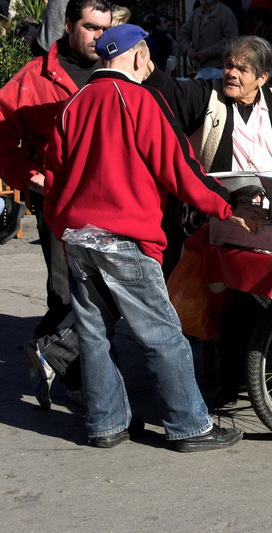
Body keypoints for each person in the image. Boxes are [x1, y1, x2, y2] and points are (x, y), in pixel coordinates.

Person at [43, 23, 247, 451]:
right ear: (138, 56)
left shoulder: (74, 103)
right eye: (148, 58)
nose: (149, 65)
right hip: (124, 236)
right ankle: (190, 425)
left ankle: (106, 424)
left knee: (95, 335)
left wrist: (62, 227)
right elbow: (180, 167)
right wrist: (226, 205)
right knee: (162, 334)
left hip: (79, 236)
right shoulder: (140, 99)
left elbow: (54, 176)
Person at [144, 35, 272, 406]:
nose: (231, 73)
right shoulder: (208, 98)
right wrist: (149, 69)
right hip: (226, 213)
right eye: (228, 64)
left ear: (262, 77)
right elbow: (173, 94)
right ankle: (236, 375)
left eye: (242, 68)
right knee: (240, 284)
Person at [0, 0, 113, 409]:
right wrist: (31, 178)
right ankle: (77, 382)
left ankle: (63, 357)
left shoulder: (118, 68)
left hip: (115, 201)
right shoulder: (34, 77)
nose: (100, 36)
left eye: (105, 27)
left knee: (111, 291)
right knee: (67, 294)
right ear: (67, 26)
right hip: (60, 204)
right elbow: (2, 138)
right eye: (90, 27)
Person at [178, 0, 238, 71]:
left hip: (217, 70)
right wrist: (188, 49)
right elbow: (183, 34)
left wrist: (209, 52)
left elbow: (231, 40)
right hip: (197, 69)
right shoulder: (196, 13)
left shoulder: (226, 14)